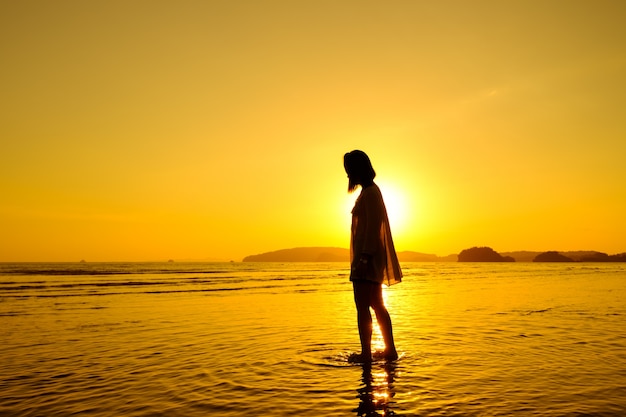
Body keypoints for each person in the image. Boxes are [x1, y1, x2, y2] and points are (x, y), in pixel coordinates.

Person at [344, 150, 402, 363]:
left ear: (359, 169)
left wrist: (364, 258)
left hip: (366, 259)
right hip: (367, 258)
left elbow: (373, 228)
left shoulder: (370, 193)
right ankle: (389, 351)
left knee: (364, 307)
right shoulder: (368, 192)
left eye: (349, 169)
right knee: (376, 304)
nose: (348, 174)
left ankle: (368, 354)